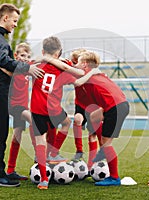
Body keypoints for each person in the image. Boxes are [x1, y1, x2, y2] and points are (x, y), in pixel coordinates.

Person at [0, 3, 44, 187]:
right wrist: (27, 68)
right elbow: (4, 60)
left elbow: (1, 63)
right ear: (5, 18)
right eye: (14, 20)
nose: (15, 24)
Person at [30, 36, 100, 189]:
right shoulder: (62, 66)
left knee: (40, 140)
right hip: (54, 109)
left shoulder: (35, 65)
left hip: (37, 109)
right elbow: (77, 80)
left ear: (43, 51)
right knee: (66, 122)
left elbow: (17, 70)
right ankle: (54, 153)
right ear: (58, 53)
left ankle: (43, 180)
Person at [75, 51, 130, 186]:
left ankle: (114, 178)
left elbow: (77, 82)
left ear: (85, 64)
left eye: (78, 62)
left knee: (106, 143)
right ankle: (99, 153)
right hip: (119, 105)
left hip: (114, 107)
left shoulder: (88, 76)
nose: (75, 65)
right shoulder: (99, 74)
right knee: (93, 119)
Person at [70, 49, 103, 170]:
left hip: (93, 106)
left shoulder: (94, 74)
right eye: (73, 62)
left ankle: (91, 165)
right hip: (80, 105)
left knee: (92, 134)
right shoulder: (75, 72)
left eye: (76, 62)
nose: (74, 65)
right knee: (77, 119)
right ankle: (79, 150)